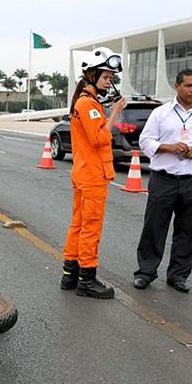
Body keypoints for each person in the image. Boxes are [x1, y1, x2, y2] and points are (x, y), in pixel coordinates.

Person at [132, 68, 192, 293]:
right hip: (164, 179)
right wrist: (168, 147)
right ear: (177, 86)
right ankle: (145, 273)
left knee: (188, 230)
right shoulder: (161, 113)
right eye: (188, 85)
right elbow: (145, 141)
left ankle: (178, 275)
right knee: (154, 227)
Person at [60, 47, 126, 299]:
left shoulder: (86, 102)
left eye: (111, 78)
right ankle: (86, 278)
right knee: (90, 228)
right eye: (107, 77)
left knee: (78, 224)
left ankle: (70, 275)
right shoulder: (88, 104)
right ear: (92, 75)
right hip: (92, 176)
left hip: (84, 172)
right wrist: (116, 112)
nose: (110, 82)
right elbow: (99, 138)